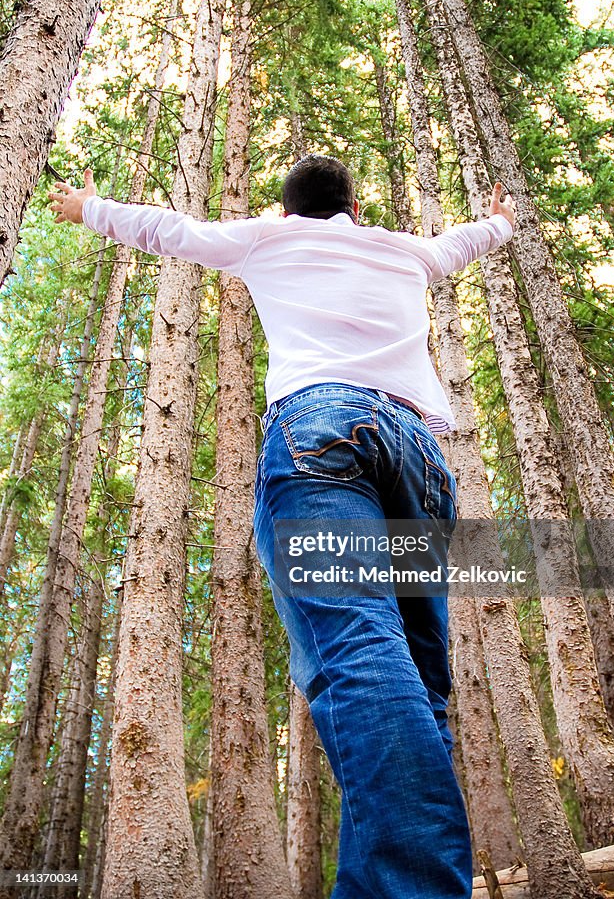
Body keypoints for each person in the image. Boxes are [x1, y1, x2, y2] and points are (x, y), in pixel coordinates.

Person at [49, 155, 515, 899]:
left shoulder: (271, 239)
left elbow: (171, 230)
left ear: (286, 209)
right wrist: (500, 222)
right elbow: (467, 241)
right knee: (420, 684)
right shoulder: (402, 250)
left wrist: (87, 207)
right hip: (421, 459)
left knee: (362, 651)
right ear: (355, 207)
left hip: (320, 430)